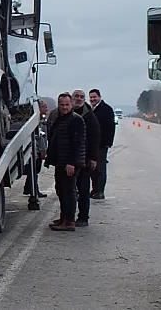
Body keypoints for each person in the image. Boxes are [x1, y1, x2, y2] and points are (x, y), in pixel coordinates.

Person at [45, 93, 86, 231]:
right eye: (62, 105)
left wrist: (71, 163)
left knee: (69, 192)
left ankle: (69, 221)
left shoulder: (76, 120)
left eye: (67, 105)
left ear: (71, 104)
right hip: (61, 162)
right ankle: (64, 218)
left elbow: (77, 143)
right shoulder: (60, 119)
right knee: (61, 190)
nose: (64, 107)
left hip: (70, 163)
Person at [72, 89, 101, 227]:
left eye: (81, 97)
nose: (79, 99)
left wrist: (93, 158)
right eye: (76, 96)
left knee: (83, 189)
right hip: (68, 158)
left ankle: (83, 217)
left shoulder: (89, 116)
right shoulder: (65, 113)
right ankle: (67, 217)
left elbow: (95, 138)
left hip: (84, 159)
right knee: (67, 190)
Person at [89, 89, 116, 199]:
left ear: (99, 97)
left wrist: (108, 142)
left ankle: (100, 191)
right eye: (91, 97)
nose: (92, 99)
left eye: (94, 97)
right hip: (92, 143)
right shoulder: (91, 109)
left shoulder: (106, 109)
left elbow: (111, 127)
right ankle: (95, 189)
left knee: (100, 168)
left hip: (101, 144)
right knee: (92, 168)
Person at [24, 99, 50, 198]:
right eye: (45, 107)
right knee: (35, 171)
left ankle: (28, 188)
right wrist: (42, 150)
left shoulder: (41, 119)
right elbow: (39, 137)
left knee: (34, 171)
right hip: (36, 150)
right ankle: (34, 190)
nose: (47, 109)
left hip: (37, 150)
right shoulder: (36, 121)